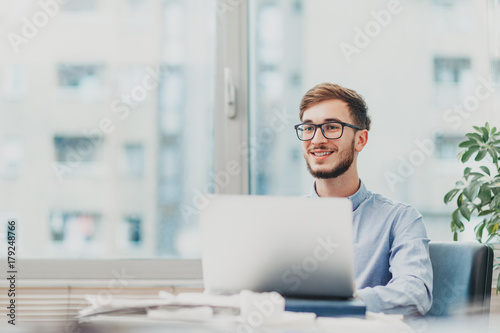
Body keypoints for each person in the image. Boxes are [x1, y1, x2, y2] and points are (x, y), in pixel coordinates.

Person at [295, 82, 433, 317]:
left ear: (361, 140)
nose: (317, 139)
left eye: (331, 127)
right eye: (308, 129)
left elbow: (414, 295)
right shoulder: (285, 218)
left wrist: (339, 303)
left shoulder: (400, 219)